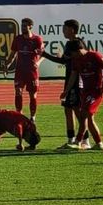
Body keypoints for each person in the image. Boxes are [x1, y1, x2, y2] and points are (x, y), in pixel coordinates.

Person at [40, 19, 90, 147]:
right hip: (69, 80)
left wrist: (45, 54)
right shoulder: (69, 44)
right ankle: (71, 139)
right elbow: (63, 61)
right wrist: (45, 54)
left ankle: (85, 140)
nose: (63, 31)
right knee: (68, 109)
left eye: (65, 28)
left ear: (72, 30)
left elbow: (78, 62)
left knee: (77, 110)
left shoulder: (78, 44)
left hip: (76, 81)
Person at [61, 40, 103, 150]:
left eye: (72, 53)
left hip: (95, 91)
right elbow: (73, 76)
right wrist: (66, 91)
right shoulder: (75, 60)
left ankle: (78, 142)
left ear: (78, 50)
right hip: (85, 92)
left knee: (83, 115)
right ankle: (99, 144)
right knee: (90, 118)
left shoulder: (94, 55)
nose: (71, 56)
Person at [3, 17, 44, 122]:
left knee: (33, 96)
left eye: (25, 26)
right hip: (20, 71)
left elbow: (43, 54)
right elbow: (12, 54)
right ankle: (19, 115)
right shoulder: (18, 39)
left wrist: (38, 63)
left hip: (32, 72)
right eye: (22, 25)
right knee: (18, 92)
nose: (23, 28)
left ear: (30, 26)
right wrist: (7, 65)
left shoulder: (37, 39)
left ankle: (32, 117)